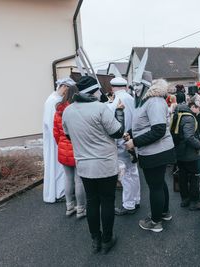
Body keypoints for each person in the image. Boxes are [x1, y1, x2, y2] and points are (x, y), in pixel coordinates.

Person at [62, 76, 125, 254]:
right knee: (107, 201)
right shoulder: (100, 108)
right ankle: (107, 239)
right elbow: (118, 131)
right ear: (93, 91)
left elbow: (68, 136)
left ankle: (95, 239)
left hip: (84, 164)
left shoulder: (68, 111)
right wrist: (120, 112)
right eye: (98, 91)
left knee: (92, 202)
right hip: (105, 163)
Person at [125, 75, 176, 233]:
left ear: (146, 87)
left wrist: (135, 142)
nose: (135, 89)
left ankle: (155, 222)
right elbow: (143, 124)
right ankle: (163, 213)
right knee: (159, 184)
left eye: (137, 86)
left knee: (155, 187)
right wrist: (130, 133)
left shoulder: (154, 101)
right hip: (156, 151)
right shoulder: (148, 101)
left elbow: (158, 130)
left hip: (156, 152)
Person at [108, 77, 141, 216]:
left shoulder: (114, 102)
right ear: (125, 86)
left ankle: (128, 205)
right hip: (133, 139)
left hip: (121, 142)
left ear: (112, 88)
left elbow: (112, 125)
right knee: (133, 171)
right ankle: (136, 199)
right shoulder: (132, 99)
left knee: (125, 174)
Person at [53, 84, 86, 218]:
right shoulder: (77, 110)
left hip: (62, 148)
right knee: (79, 180)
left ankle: (69, 207)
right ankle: (81, 209)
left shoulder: (58, 110)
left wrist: (61, 144)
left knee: (68, 178)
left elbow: (55, 132)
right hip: (77, 148)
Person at [42, 77, 75, 203]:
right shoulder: (53, 101)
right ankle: (59, 193)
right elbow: (52, 124)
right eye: (67, 88)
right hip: (55, 140)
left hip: (56, 139)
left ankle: (59, 192)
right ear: (63, 87)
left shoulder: (54, 99)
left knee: (59, 168)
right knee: (58, 168)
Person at [174, 94, 200, 210]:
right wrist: (199, 145)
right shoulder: (190, 117)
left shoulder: (180, 112)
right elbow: (189, 137)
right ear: (193, 106)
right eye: (199, 109)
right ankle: (195, 202)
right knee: (195, 176)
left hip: (179, 151)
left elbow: (186, 134)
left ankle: (185, 199)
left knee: (183, 175)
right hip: (189, 154)